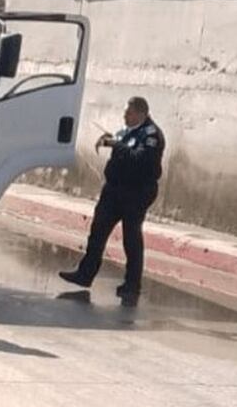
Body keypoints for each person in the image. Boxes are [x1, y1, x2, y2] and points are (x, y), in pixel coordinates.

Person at [58, 97, 166, 307]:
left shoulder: (151, 135)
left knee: (131, 238)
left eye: (129, 113)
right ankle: (85, 274)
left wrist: (117, 144)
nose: (125, 116)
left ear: (141, 114)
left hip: (136, 193)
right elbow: (121, 148)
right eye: (125, 113)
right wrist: (111, 140)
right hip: (114, 190)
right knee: (97, 231)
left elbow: (141, 160)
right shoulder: (126, 131)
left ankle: (132, 285)